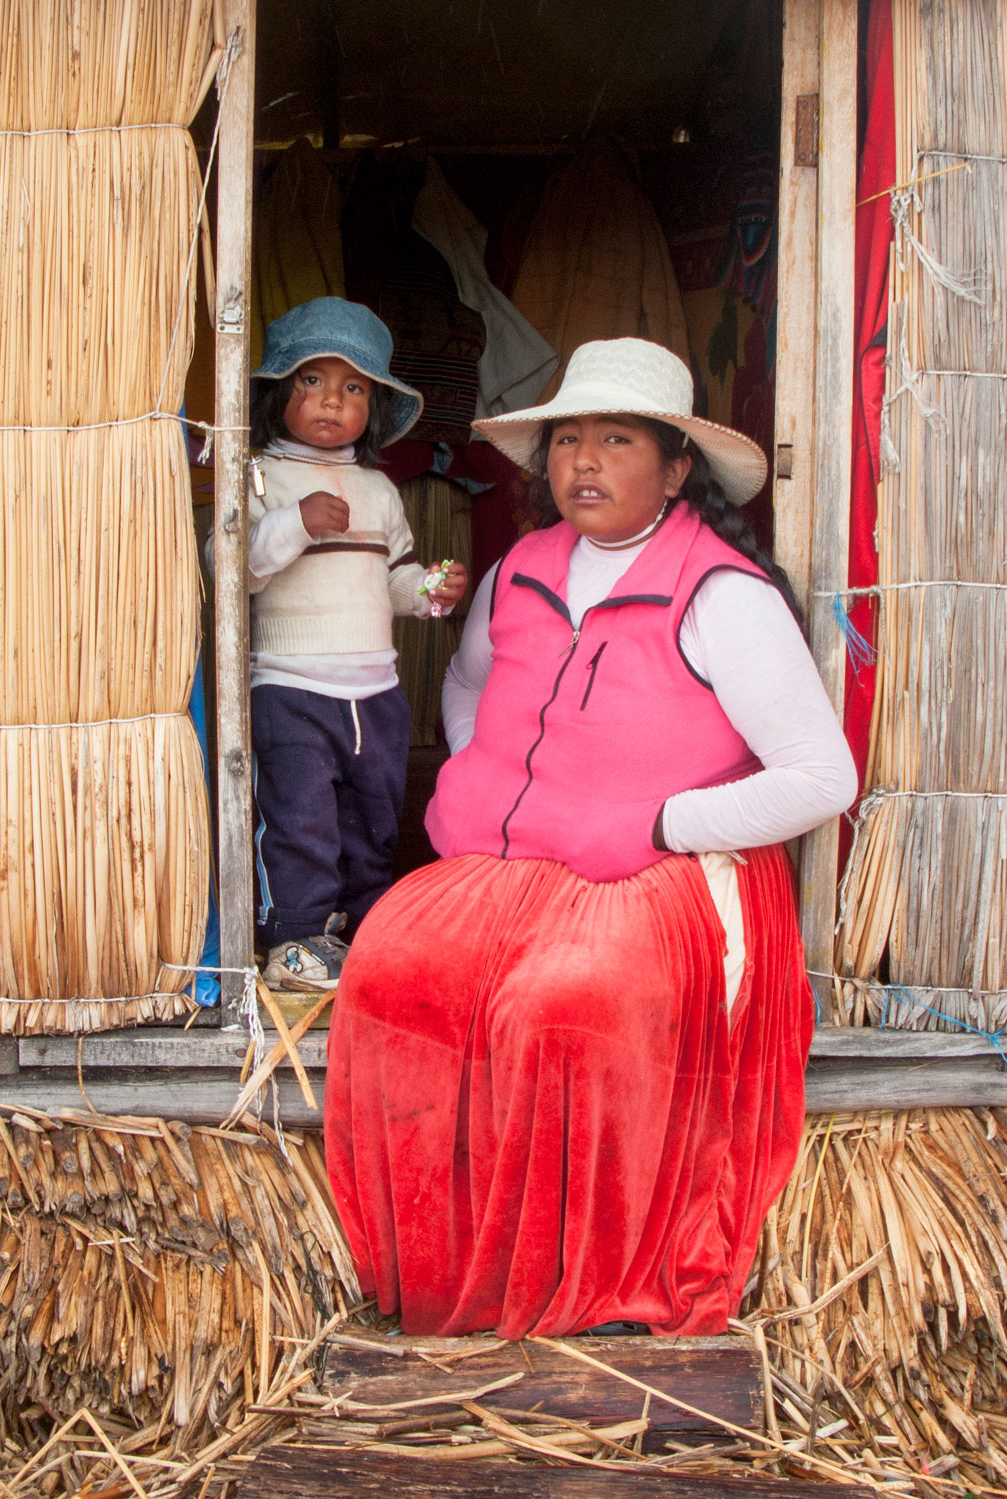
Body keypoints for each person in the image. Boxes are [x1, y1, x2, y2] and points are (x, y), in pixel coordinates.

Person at [324, 337, 857, 1338]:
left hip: (663, 870)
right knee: (393, 968)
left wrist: (656, 820)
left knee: (561, 1003)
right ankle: (450, 1272)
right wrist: (468, 785)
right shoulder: (520, 568)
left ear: (674, 468)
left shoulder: (721, 594)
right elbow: (470, 685)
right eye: (566, 438)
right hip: (516, 860)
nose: (583, 461)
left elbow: (821, 778)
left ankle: (580, 1278)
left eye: (615, 440)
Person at [245, 298, 469, 992]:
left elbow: (393, 579)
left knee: (372, 814)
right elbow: (237, 568)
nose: (331, 401)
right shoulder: (258, 474)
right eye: (312, 381)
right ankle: (295, 940)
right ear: (280, 390)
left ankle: (364, 926)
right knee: (300, 814)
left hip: (376, 690)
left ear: (373, 405)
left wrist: (431, 590)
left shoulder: (378, 489)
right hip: (291, 684)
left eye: (353, 388)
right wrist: (296, 523)